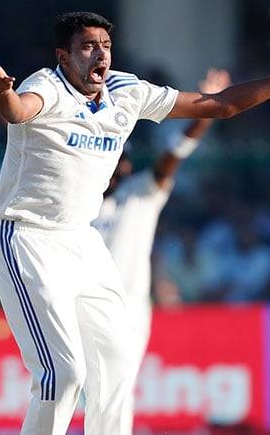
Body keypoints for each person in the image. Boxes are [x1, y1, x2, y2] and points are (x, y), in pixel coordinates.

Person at [0, 11, 270, 435]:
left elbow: (224, 104)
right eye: (87, 46)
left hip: (82, 242)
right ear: (63, 57)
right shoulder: (45, 85)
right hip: (28, 235)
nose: (99, 53)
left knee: (119, 363)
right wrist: (2, 94)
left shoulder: (126, 90)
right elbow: (18, 111)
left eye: (105, 45)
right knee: (64, 374)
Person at [92, 68, 231, 431]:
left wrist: (204, 110)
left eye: (121, 160)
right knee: (69, 385)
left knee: (116, 393)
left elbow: (175, 152)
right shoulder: (77, 198)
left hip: (129, 311)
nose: (117, 167)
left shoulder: (140, 193)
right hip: (82, 307)